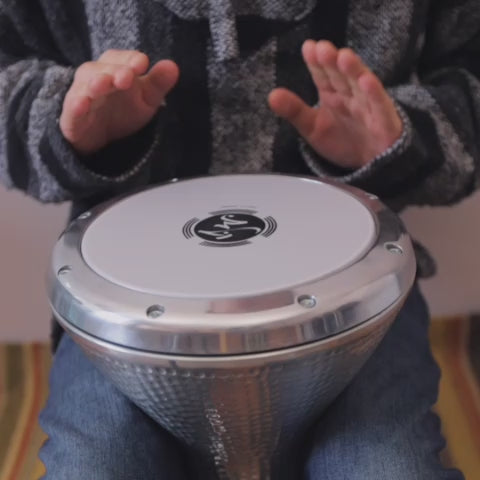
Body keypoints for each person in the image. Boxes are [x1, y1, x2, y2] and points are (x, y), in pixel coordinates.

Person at [1, 0, 479, 478]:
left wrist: (403, 141)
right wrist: (67, 124)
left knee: (389, 469)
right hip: (126, 326)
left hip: (356, 308)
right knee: (92, 467)